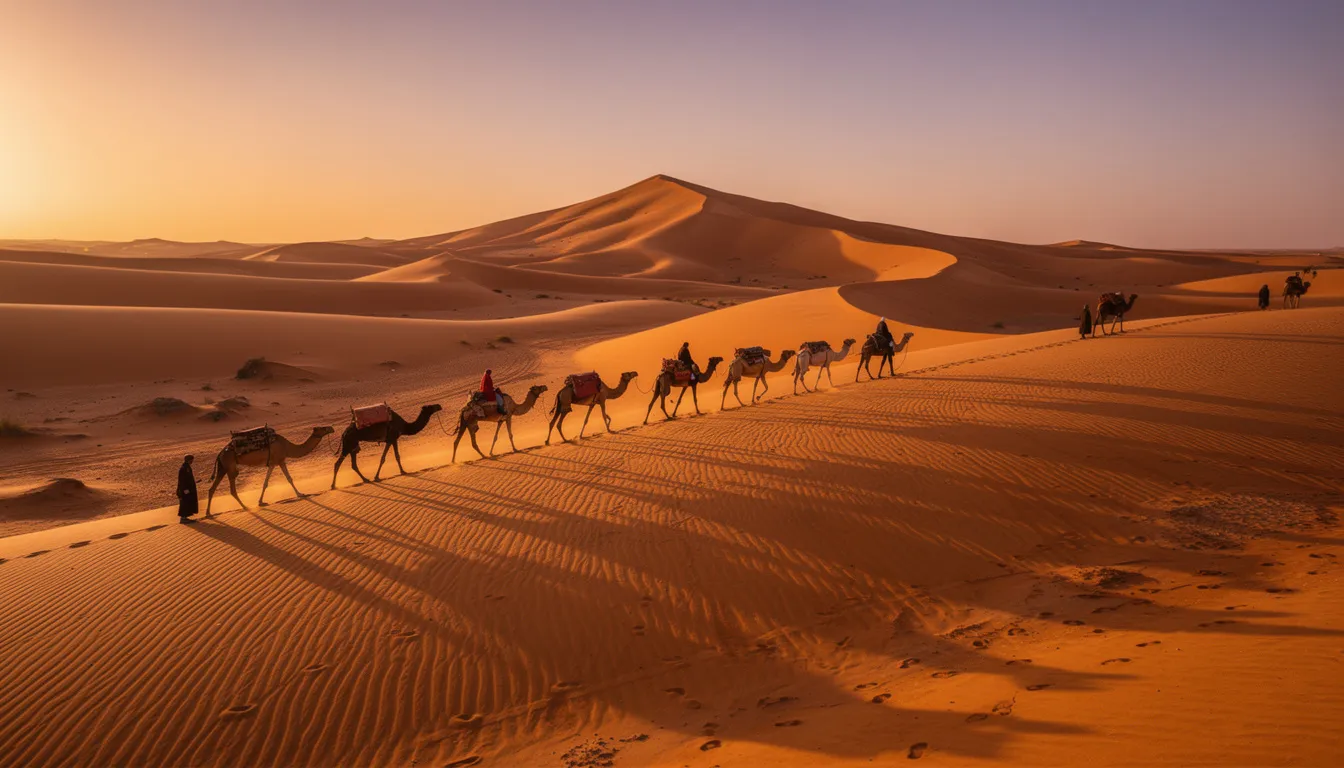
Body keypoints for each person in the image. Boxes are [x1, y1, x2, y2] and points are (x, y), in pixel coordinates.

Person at [177, 454, 198, 522]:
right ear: (189, 460)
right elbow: (182, 480)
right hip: (185, 490)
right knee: (184, 503)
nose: (192, 461)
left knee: (188, 502)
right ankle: (183, 518)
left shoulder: (187, 467)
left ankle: (185, 517)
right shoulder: (184, 468)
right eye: (192, 460)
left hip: (188, 489)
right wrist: (185, 489)